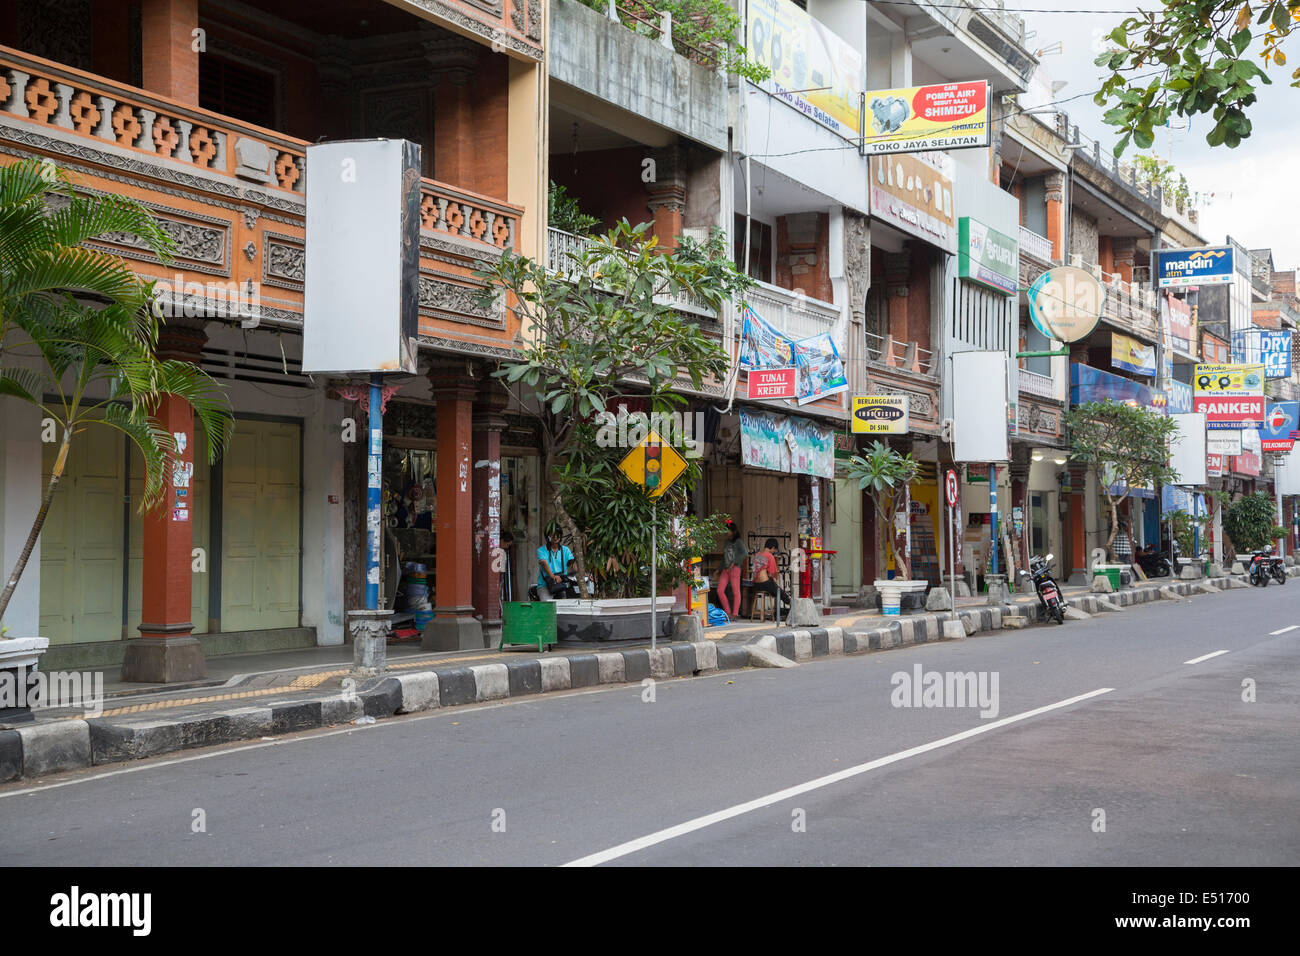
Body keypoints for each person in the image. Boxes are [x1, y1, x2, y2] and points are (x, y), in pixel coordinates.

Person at [751, 537, 790, 615]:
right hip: (764, 584)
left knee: (775, 589)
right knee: (779, 591)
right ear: (773, 548)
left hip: (755, 584)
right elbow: (773, 572)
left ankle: (785, 602)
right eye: (774, 550)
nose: (774, 552)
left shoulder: (757, 554)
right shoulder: (769, 556)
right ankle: (790, 603)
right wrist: (775, 579)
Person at [717, 521, 747, 619]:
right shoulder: (726, 542)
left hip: (735, 569)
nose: (726, 532)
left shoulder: (738, 542)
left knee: (735, 592)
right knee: (720, 590)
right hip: (725, 569)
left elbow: (744, 553)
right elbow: (724, 557)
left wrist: (734, 562)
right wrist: (719, 569)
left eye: (728, 530)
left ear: (733, 531)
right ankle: (728, 612)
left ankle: (734, 614)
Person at [536, 526, 575, 601]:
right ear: (548, 536)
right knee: (547, 606)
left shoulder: (565, 550)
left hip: (561, 584)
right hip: (545, 585)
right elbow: (544, 563)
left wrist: (585, 573)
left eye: (558, 534)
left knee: (565, 606)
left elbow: (573, 563)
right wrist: (553, 576)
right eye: (552, 534)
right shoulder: (541, 550)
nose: (556, 537)